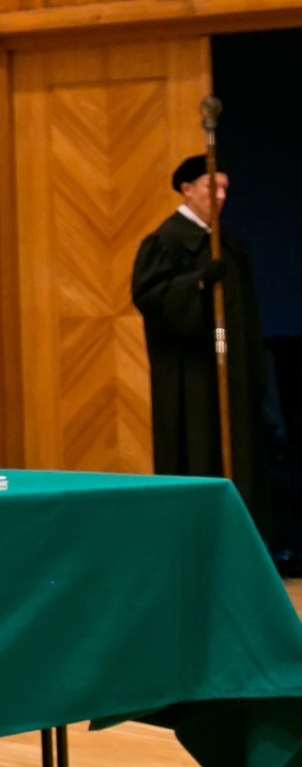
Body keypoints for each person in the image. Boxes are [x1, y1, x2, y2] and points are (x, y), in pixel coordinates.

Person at [132, 155, 271, 529]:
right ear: (187, 189)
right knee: (197, 448)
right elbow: (150, 297)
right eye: (212, 187)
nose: (221, 195)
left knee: (238, 453)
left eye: (225, 188)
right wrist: (195, 282)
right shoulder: (167, 241)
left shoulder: (227, 245)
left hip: (231, 371)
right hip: (191, 374)